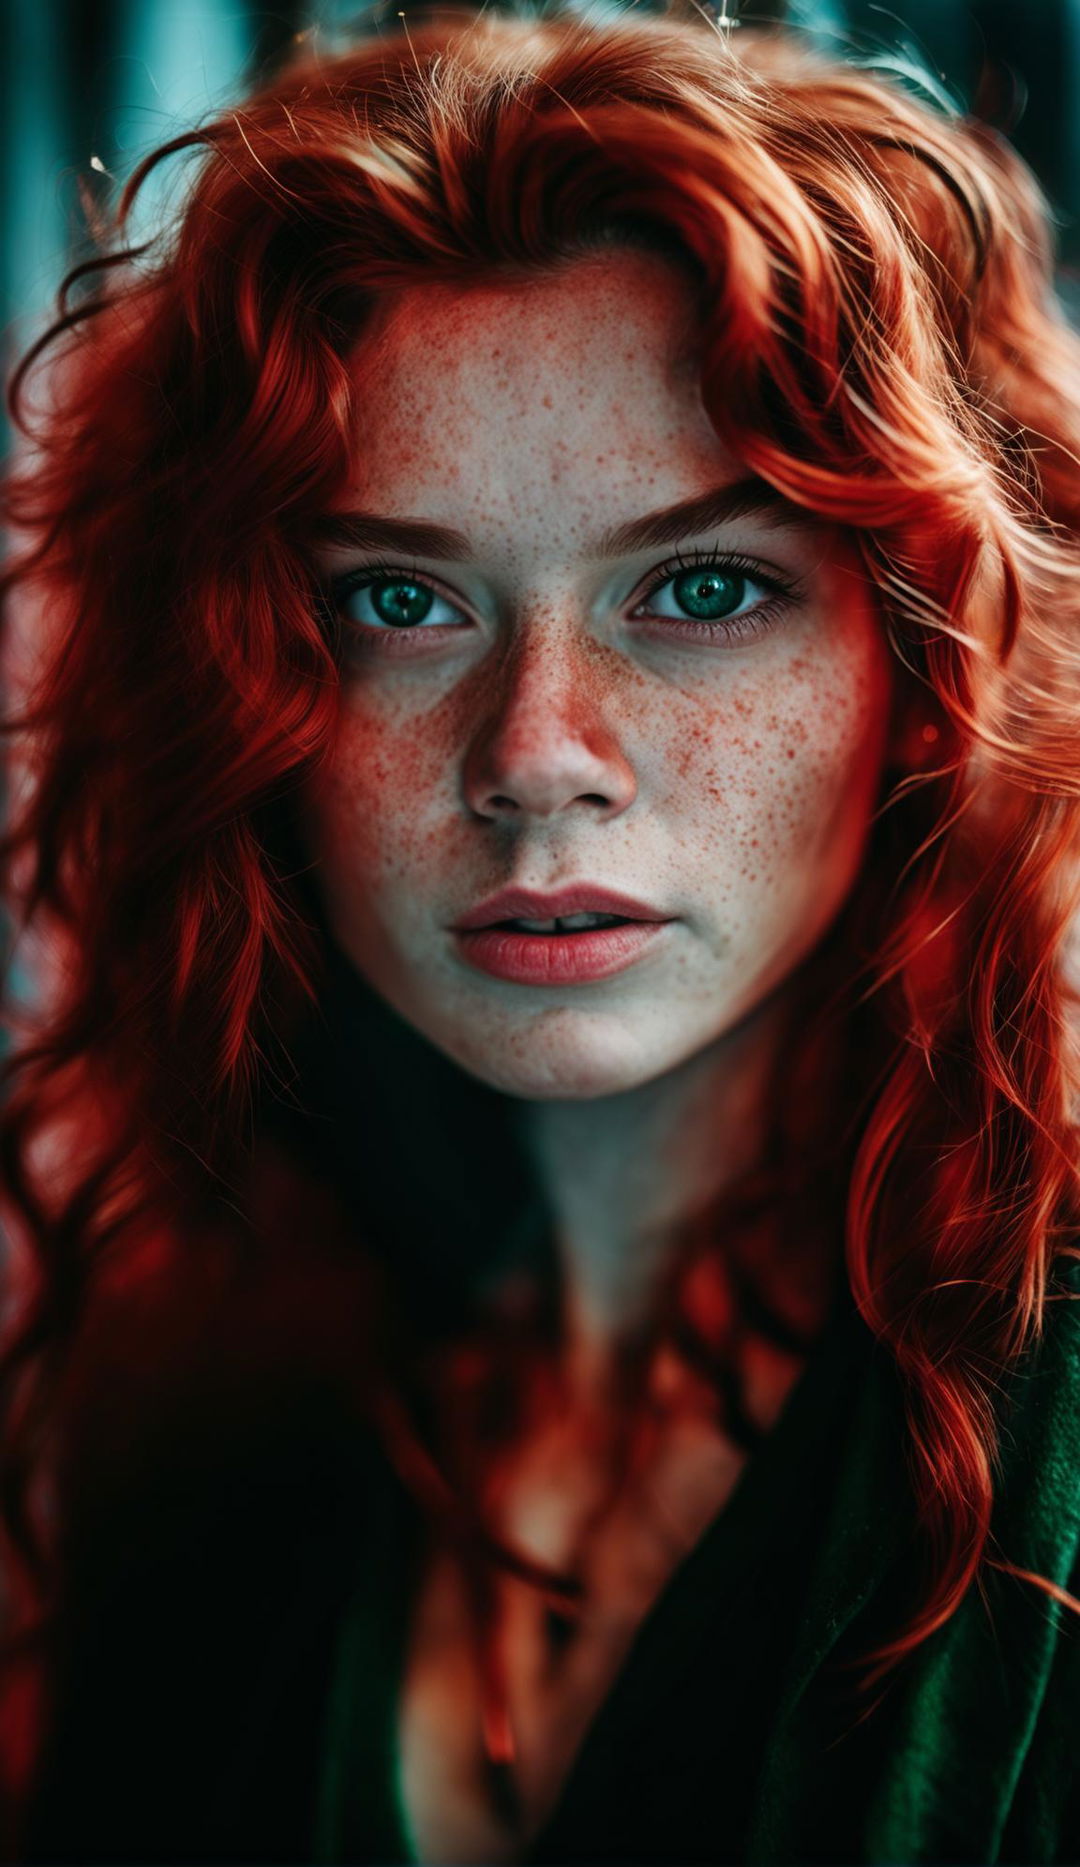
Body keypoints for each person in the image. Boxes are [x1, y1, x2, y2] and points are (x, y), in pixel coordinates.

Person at [3, 2, 1080, 1860]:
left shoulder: (1051, 1421)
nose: (536, 760)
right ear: (245, 689)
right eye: (402, 600)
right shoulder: (214, 1417)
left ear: (924, 668)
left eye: (706, 587)